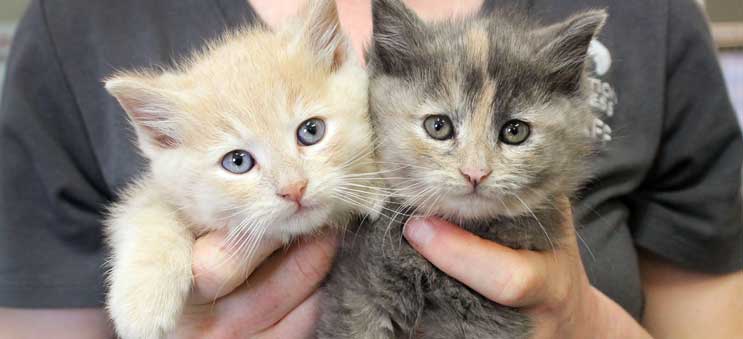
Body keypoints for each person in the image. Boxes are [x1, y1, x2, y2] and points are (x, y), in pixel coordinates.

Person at [1, 0, 741, 338]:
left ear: (350, 74)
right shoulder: (76, 26)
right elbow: (152, 209)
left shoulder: (651, 17)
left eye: (311, 132)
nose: (291, 182)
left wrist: (586, 324)